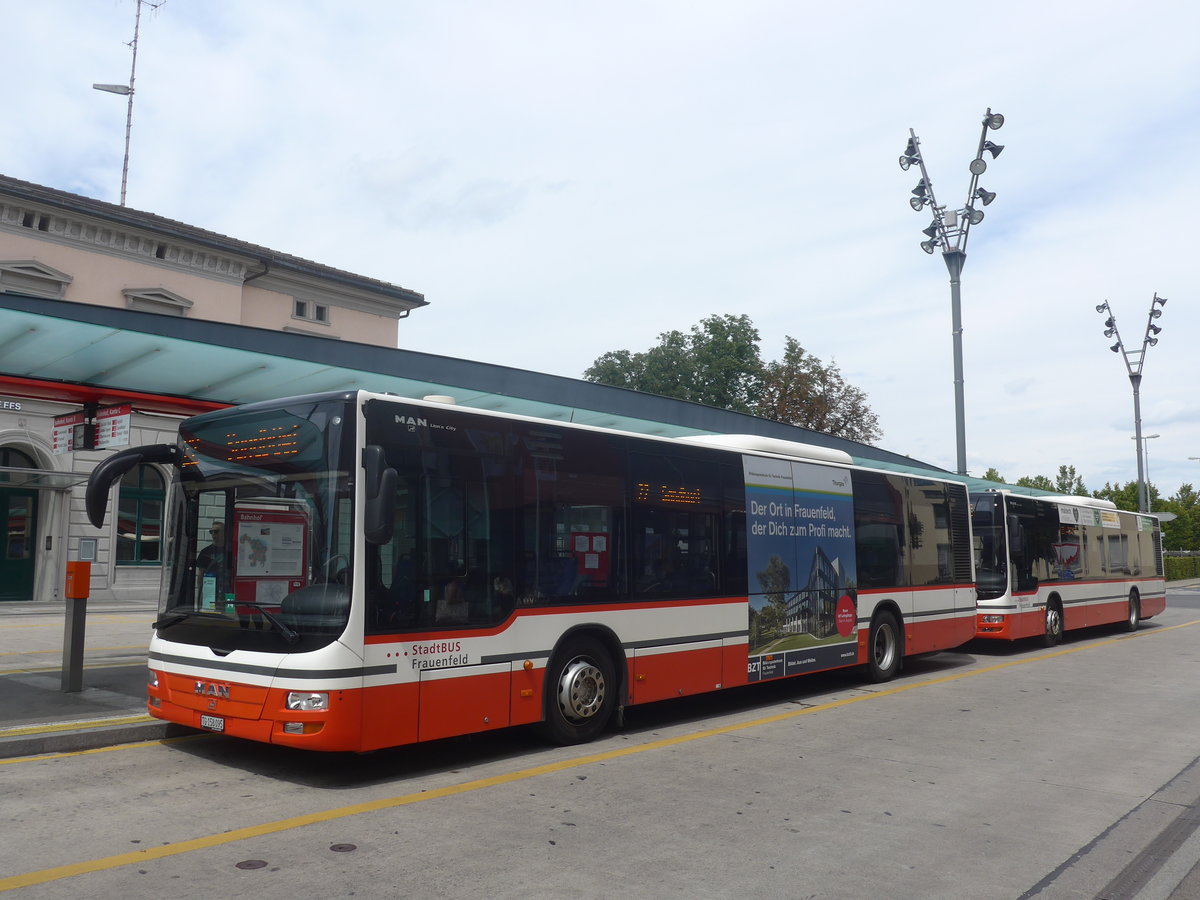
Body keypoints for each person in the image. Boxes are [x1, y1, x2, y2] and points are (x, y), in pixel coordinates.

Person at [196, 521, 229, 604]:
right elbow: (200, 575)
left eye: (216, 531)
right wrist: (200, 594)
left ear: (224, 533)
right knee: (209, 613)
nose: (213, 534)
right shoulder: (205, 552)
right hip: (210, 590)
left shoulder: (230, 551)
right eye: (211, 532)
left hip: (228, 591)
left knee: (230, 611)